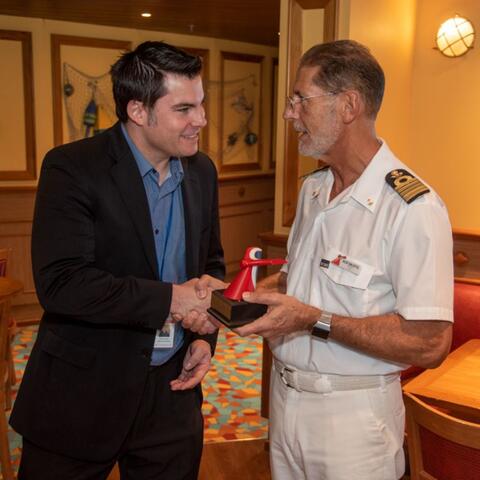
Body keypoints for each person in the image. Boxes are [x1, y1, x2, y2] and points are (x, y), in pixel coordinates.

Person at [236, 40, 453, 480]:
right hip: (285, 401)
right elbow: (301, 281)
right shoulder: (313, 189)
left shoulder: (413, 207)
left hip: (353, 421)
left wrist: (312, 319)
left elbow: (430, 344)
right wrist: (247, 296)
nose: (289, 113)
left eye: (301, 99)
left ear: (349, 105)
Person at [11, 41, 226, 479]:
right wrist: (170, 300)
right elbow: (62, 284)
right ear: (138, 111)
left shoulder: (202, 171)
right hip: (82, 393)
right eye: (185, 108)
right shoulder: (72, 168)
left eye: (201, 105)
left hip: (173, 392)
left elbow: (212, 266)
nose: (201, 120)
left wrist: (205, 340)